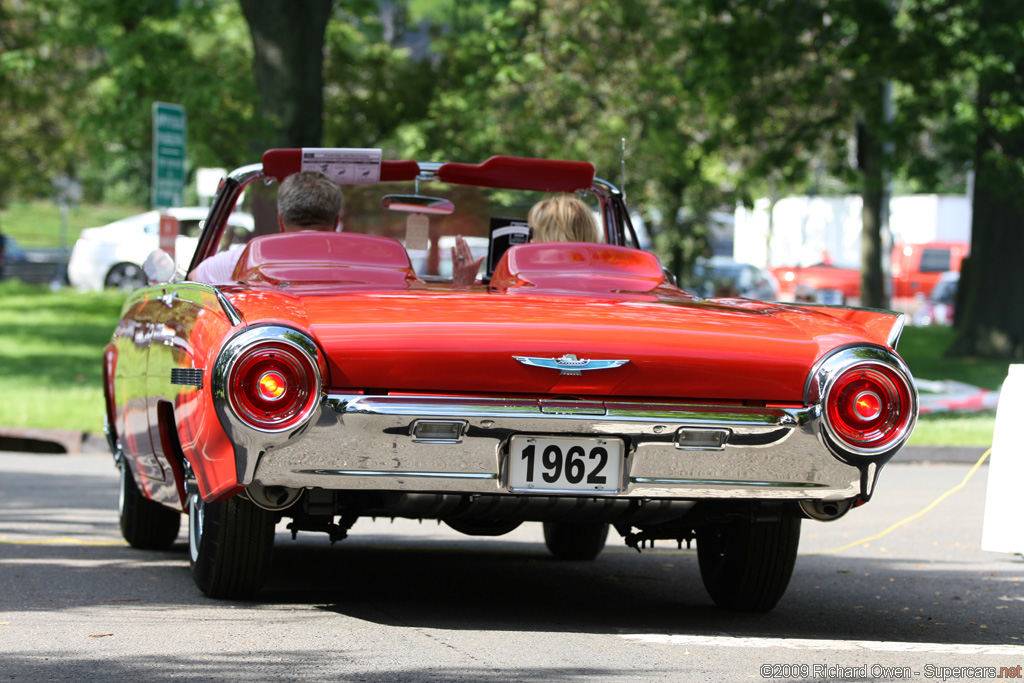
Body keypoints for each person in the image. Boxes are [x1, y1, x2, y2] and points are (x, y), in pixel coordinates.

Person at [191, 171, 343, 284]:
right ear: (336, 223)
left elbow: (193, 281)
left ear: (280, 221)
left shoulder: (243, 260)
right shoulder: (361, 264)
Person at [451, 194, 600, 286]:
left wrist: (462, 285)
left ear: (554, 239)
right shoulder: (605, 287)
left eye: (534, 232)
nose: (530, 241)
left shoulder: (526, 286)